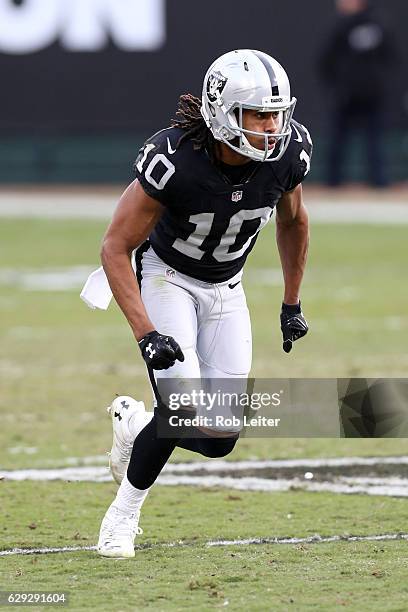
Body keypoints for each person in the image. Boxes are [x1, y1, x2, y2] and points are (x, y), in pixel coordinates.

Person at [87, 49, 312, 558]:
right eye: (257, 113)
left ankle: (138, 426)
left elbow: (294, 221)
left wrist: (291, 302)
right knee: (181, 409)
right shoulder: (177, 161)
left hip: (227, 286)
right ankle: (122, 515)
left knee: (220, 435)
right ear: (222, 112)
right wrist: (147, 334)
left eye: (276, 113)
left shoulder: (286, 155)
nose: (271, 127)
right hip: (169, 279)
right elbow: (115, 247)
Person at [318, 0, 397, 187]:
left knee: (374, 141)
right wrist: (338, 85)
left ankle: (379, 184)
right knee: (338, 141)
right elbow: (326, 60)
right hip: (347, 95)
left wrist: (378, 83)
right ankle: (332, 184)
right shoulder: (341, 26)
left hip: (372, 95)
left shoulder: (378, 23)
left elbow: (391, 57)